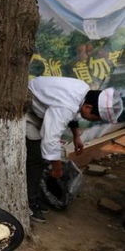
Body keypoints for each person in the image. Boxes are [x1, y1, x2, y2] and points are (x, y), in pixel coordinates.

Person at [26, 76, 123, 223]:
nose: (91, 121)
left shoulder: (83, 90)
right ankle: (28, 203)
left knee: (44, 158)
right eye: (93, 118)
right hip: (28, 110)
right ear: (88, 107)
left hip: (44, 110)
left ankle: (34, 195)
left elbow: (73, 113)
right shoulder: (67, 106)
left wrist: (77, 135)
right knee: (36, 159)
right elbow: (50, 138)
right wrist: (57, 168)